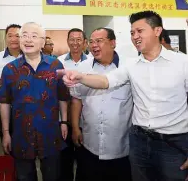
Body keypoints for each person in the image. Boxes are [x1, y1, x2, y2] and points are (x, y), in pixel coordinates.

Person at [58, 10, 188, 181]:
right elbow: (106, 81)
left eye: (140, 31)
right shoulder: (131, 65)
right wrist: (80, 76)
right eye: (132, 33)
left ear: (157, 31)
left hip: (174, 142)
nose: (135, 36)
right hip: (139, 141)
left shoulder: (182, 63)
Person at [0, 22, 70, 181]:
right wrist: (6, 133)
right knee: (24, 176)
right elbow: (4, 103)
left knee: (53, 175)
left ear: (43, 42)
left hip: (50, 133)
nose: (28, 40)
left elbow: (63, 96)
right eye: (24, 36)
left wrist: (64, 121)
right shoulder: (9, 69)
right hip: (21, 134)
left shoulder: (55, 65)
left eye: (34, 36)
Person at [70, 27, 132, 181]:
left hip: (121, 145)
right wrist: (75, 128)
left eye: (99, 41)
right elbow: (76, 99)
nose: (94, 45)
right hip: (90, 144)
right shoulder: (82, 68)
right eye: (91, 42)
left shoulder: (129, 67)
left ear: (112, 43)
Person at [57, 28, 88, 181]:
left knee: (84, 160)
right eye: (72, 39)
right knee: (64, 160)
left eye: (79, 39)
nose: (75, 43)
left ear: (84, 43)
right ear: (67, 41)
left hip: (85, 119)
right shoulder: (59, 62)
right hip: (63, 118)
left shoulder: (91, 62)